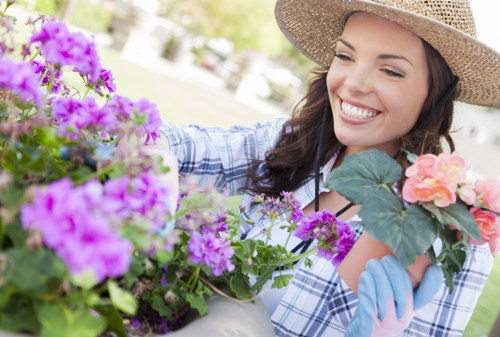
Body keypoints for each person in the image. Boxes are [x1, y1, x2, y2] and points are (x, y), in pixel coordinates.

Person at [145, 0, 500, 336]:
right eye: (345, 56)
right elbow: (153, 136)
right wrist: (158, 171)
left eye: (391, 71)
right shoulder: (285, 145)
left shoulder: (452, 236)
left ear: (436, 94)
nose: (354, 83)